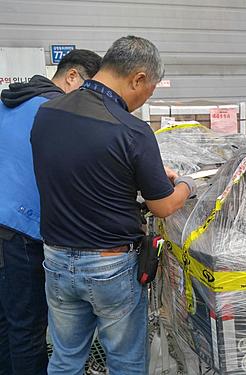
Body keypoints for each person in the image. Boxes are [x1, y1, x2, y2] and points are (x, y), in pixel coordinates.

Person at [30, 36, 194, 375]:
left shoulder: (47, 113)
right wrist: (187, 185)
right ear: (137, 79)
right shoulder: (132, 130)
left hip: (57, 260)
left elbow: (77, 165)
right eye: (147, 90)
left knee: (64, 359)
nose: (143, 99)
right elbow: (163, 206)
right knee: (126, 361)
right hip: (110, 267)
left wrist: (138, 172)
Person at [0, 49, 101, 375]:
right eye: (89, 89)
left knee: (6, 323)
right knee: (28, 329)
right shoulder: (57, 112)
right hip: (21, 233)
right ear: (72, 76)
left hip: (5, 223)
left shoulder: (8, 103)